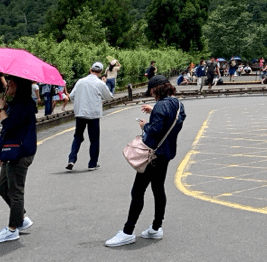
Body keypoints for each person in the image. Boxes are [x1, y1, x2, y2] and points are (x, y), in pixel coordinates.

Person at [105, 75, 186, 247]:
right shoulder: (177, 104)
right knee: (158, 189)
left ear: (156, 89)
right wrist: (154, 112)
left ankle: (128, 231)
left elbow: (155, 130)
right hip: (166, 154)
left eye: (151, 90)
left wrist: (144, 125)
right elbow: (177, 120)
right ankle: (156, 227)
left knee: (137, 192)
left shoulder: (160, 106)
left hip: (152, 155)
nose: (150, 93)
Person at [0, 76, 37, 243]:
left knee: (15, 191)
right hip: (12, 152)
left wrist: (1, 109)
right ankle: (21, 218)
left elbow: (9, 126)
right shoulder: (16, 103)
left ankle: (12, 229)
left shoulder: (24, 104)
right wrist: (2, 153)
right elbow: (8, 133)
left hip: (21, 153)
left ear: (20, 86)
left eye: (11, 83)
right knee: (2, 188)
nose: (7, 85)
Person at [66, 62, 114, 171]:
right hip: (93, 115)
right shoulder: (100, 83)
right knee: (94, 140)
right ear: (101, 72)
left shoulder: (80, 82)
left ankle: (71, 159)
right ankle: (92, 164)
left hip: (80, 114)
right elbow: (108, 97)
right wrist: (104, 84)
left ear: (90, 69)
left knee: (77, 137)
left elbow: (72, 96)